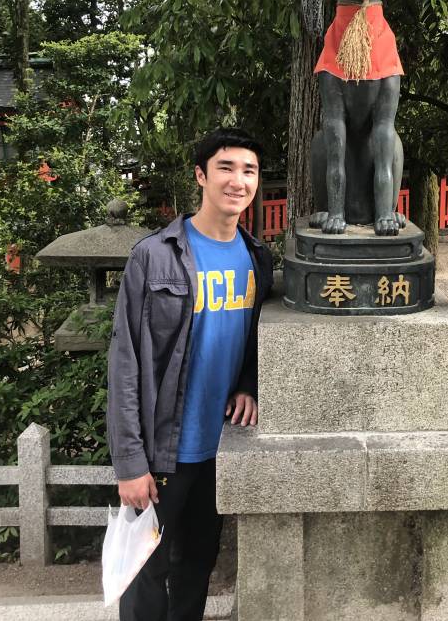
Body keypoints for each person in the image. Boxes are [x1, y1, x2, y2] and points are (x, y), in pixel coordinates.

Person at [107, 127, 273, 621]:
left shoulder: (256, 258)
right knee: (145, 571)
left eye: (249, 170)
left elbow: (252, 341)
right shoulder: (155, 255)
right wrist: (130, 463)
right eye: (226, 168)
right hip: (163, 449)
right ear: (201, 175)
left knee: (197, 565)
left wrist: (249, 384)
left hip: (219, 447)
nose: (238, 181)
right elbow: (126, 363)